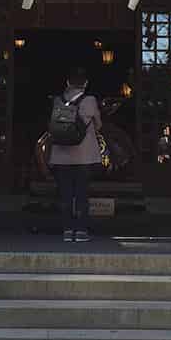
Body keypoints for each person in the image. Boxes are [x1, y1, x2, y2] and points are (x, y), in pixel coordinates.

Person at [47, 66, 102, 242]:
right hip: (84, 156)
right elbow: (98, 125)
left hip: (61, 156)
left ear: (67, 83)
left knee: (65, 194)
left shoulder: (58, 101)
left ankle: (67, 230)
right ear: (85, 84)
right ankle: (81, 231)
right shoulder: (90, 100)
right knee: (81, 193)